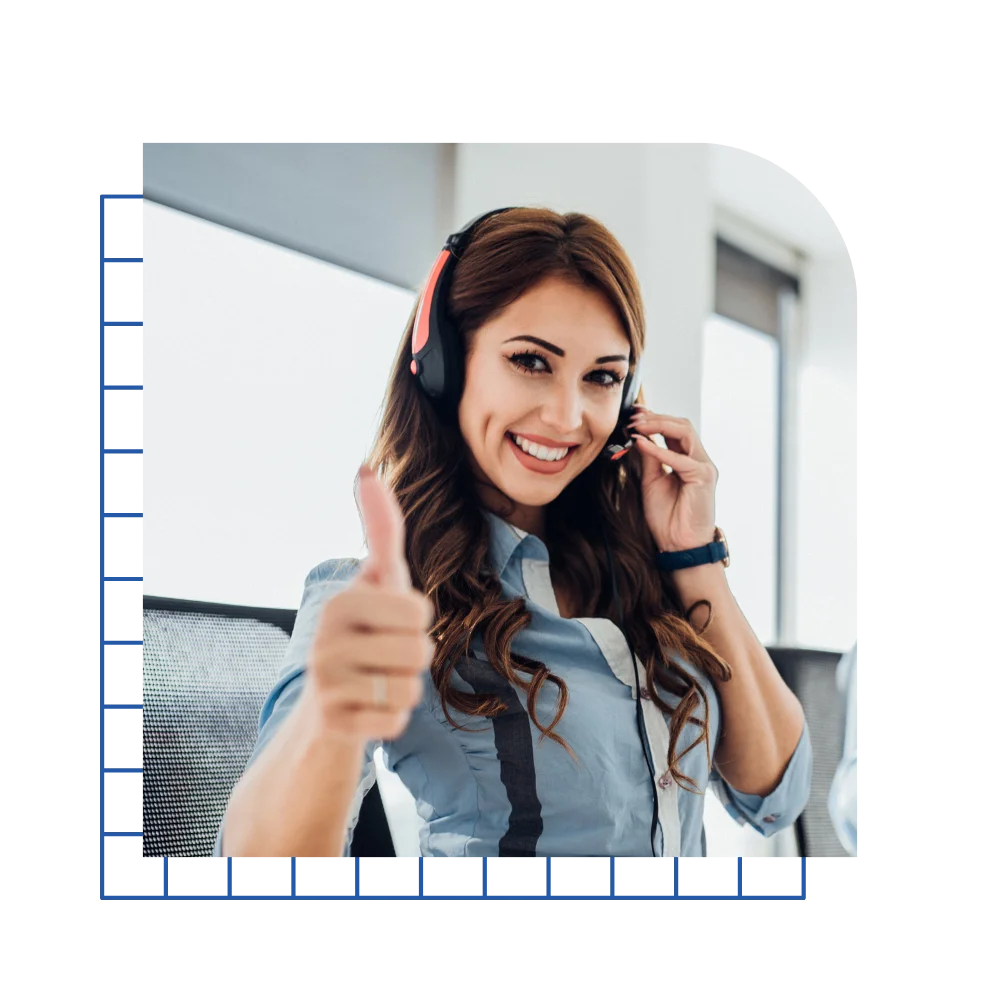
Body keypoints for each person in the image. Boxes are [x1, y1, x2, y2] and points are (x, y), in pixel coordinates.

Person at [216, 207, 812, 860]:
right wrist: (328, 715)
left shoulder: (640, 575)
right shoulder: (377, 599)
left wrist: (693, 557)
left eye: (602, 377)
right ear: (444, 359)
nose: (567, 414)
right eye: (531, 361)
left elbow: (774, 795)